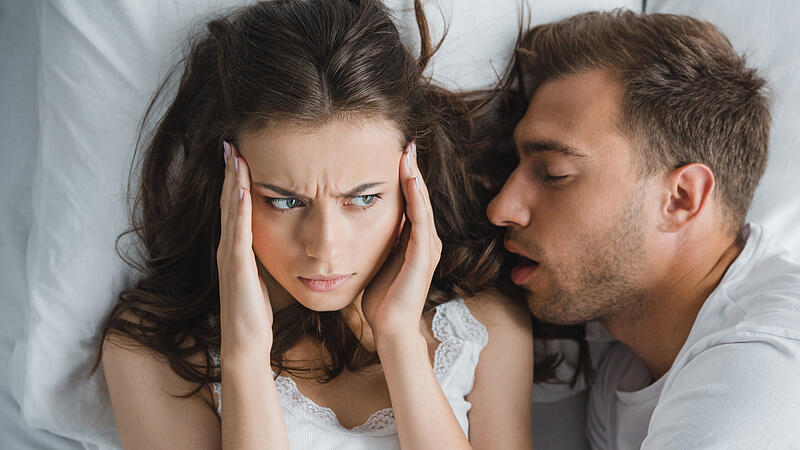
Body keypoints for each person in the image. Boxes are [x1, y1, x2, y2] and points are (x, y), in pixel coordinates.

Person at [91, 1, 533, 449]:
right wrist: (244, 358)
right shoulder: (152, 351)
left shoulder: (486, 329)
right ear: (228, 182)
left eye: (363, 198)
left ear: (411, 182)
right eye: (284, 201)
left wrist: (399, 340)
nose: (325, 248)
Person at [488, 9, 800, 449]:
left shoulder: (762, 371)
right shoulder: (624, 362)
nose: (501, 208)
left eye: (554, 173)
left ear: (681, 199)